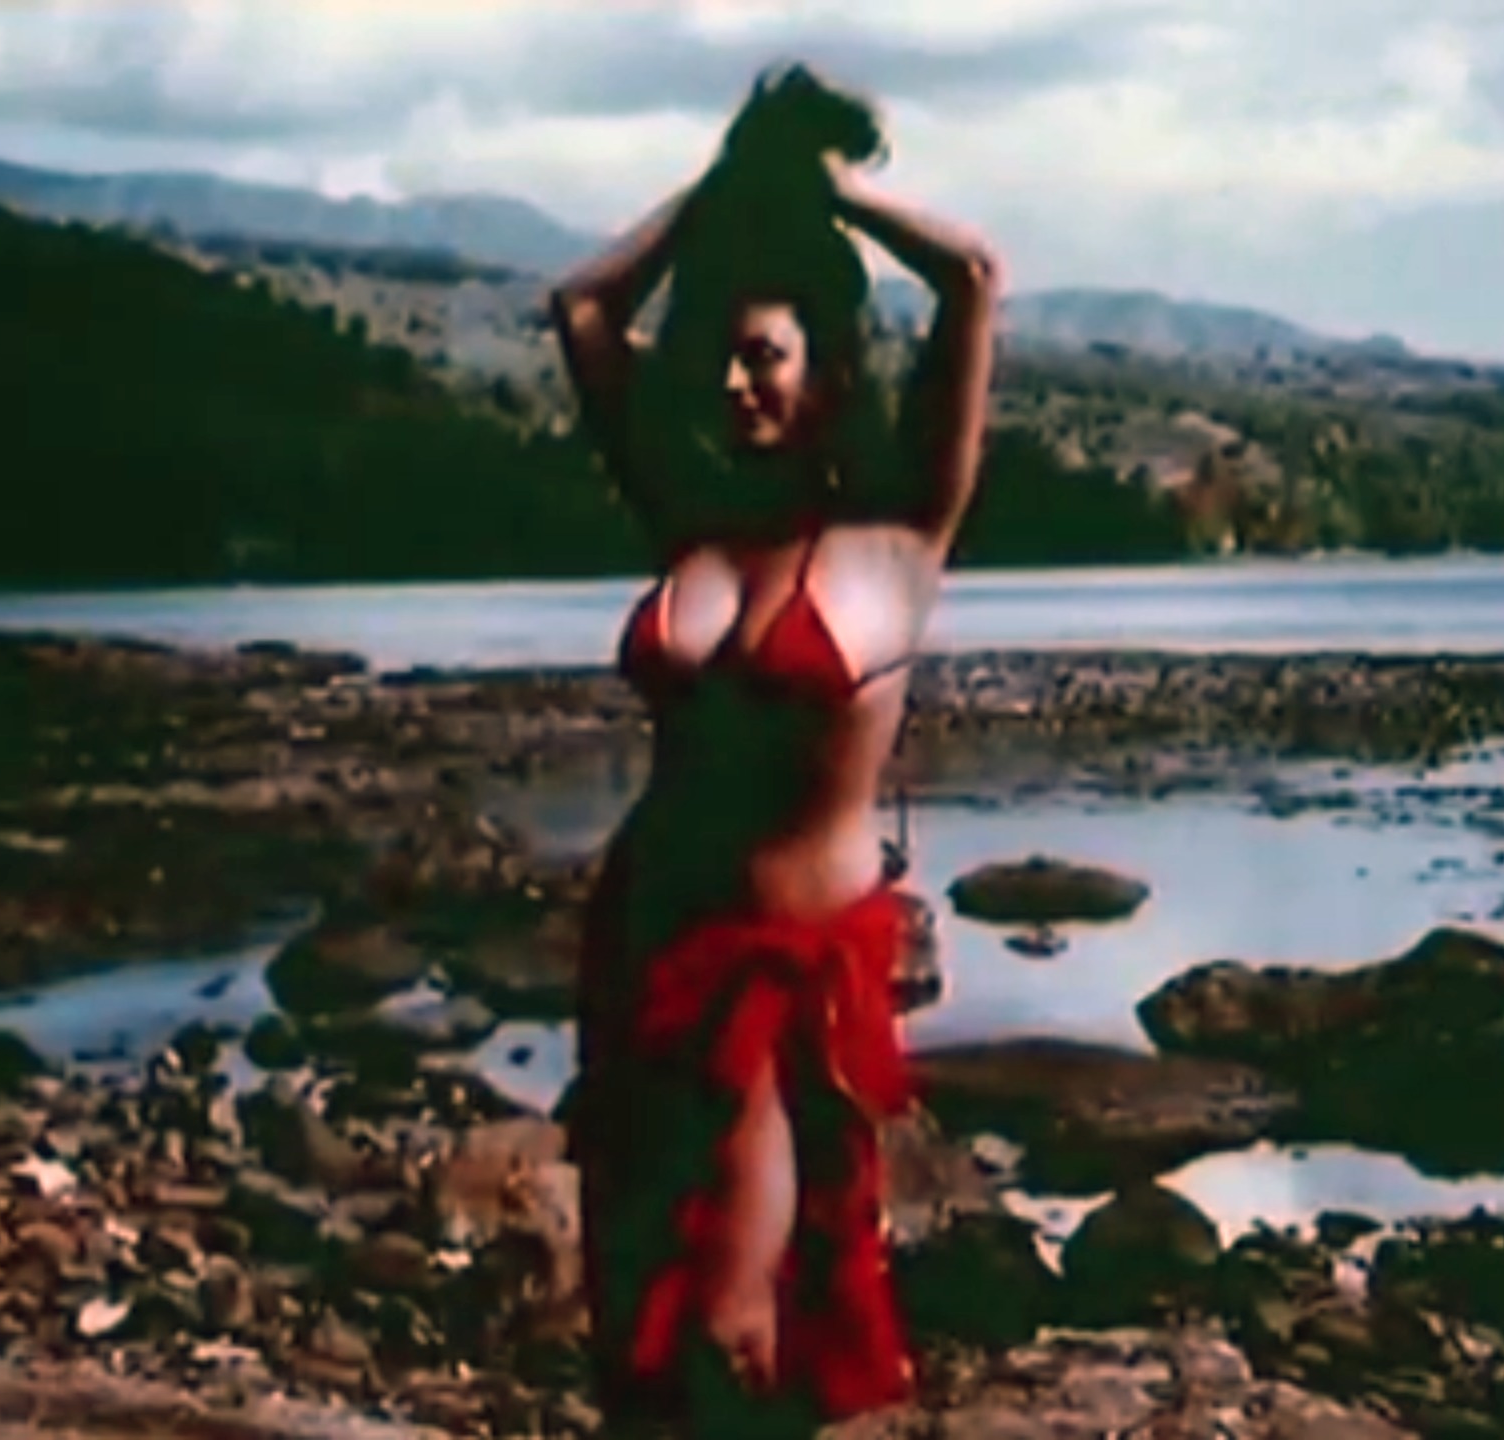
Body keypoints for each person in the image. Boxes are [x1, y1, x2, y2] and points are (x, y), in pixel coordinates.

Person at [550, 63, 1001, 1436]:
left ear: (827, 372)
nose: (739, 381)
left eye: (768, 357)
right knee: (644, 1315)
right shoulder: (687, 512)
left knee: (745, 1330)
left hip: (790, 975)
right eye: (728, 359)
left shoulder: (904, 532)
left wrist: (827, 195)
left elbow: (972, 277)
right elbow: (583, 309)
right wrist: (728, 191)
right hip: (653, 948)